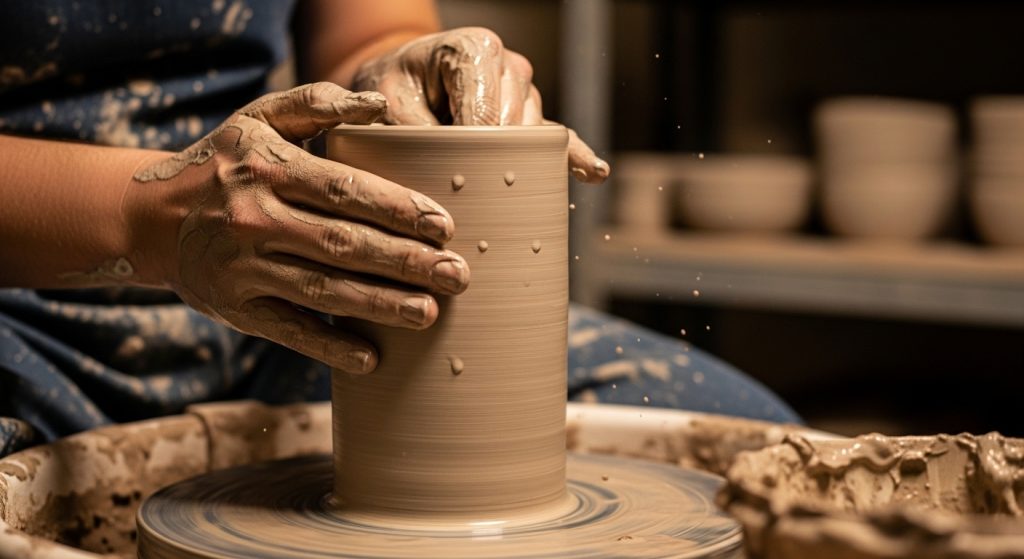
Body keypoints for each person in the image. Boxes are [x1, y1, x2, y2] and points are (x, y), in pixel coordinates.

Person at [0, 0, 798, 458]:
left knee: (755, 450)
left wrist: (404, 70)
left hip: (277, 290)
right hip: (25, 313)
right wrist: (147, 218)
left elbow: (367, 34)